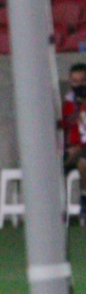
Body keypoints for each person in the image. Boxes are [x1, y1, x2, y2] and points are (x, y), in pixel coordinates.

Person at [62, 63, 86, 217]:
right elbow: (62, 127)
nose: (78, 85)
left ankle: (84, 197)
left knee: (84, 161)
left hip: (83, 148)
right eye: (75, 81)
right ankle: (57, 206)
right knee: (52, 162)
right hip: (71, 148)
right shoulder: (67, 104)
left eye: (82, 81)